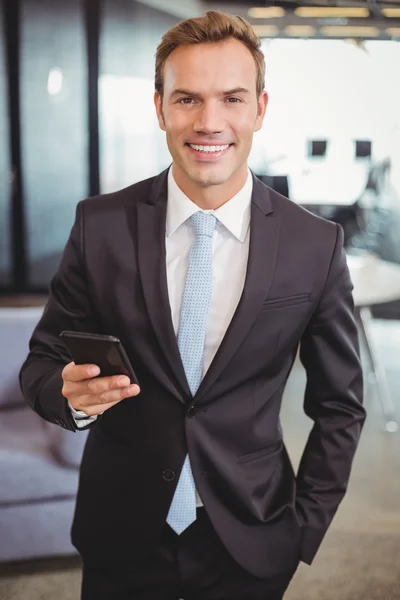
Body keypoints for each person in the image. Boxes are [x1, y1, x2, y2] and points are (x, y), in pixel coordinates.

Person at [20, 10, 366, 600]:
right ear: (159, 108)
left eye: (232, 98)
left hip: (252, 537)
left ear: (259, 108)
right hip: (121, 533)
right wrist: (68, 397)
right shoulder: (98, 225)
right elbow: (41, 363)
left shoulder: (315, 244)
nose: (209, 122)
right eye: (187, 99)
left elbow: (340, 407)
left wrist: (303, 527)